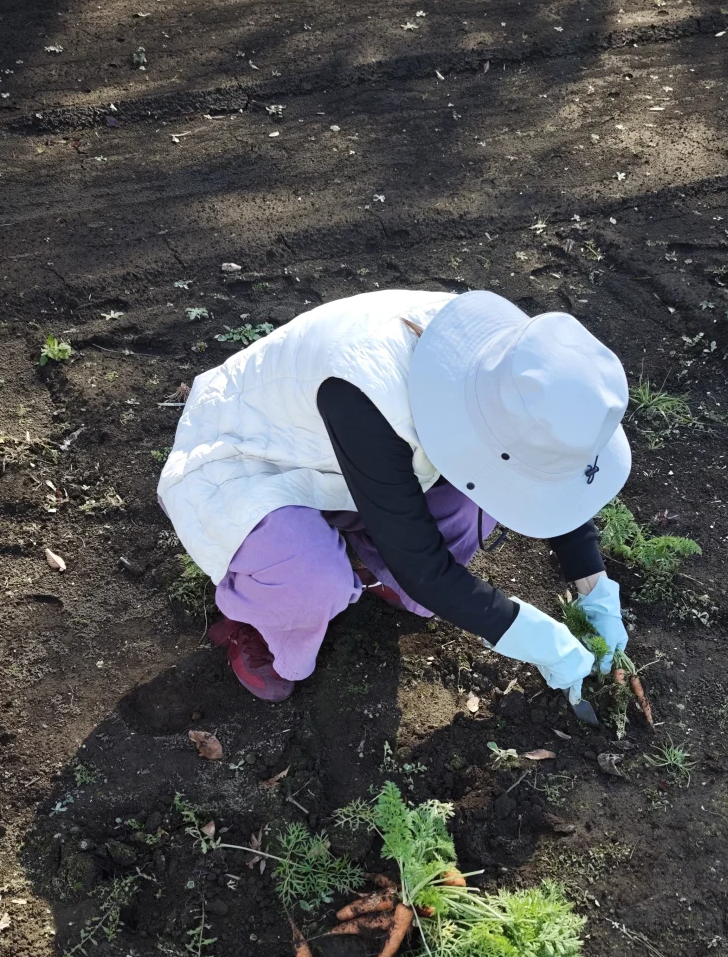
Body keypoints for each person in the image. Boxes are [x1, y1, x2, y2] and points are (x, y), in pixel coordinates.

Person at [158, 288, 632, 706]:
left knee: (469, 509)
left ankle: (367, 563)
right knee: (311, 578)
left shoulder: (513, 373)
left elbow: (550, 466)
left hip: (356, 461)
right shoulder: (366, 389)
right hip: (254, 457)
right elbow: (424, 569)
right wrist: (528, 634)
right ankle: (257, 620)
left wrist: (594, 587)